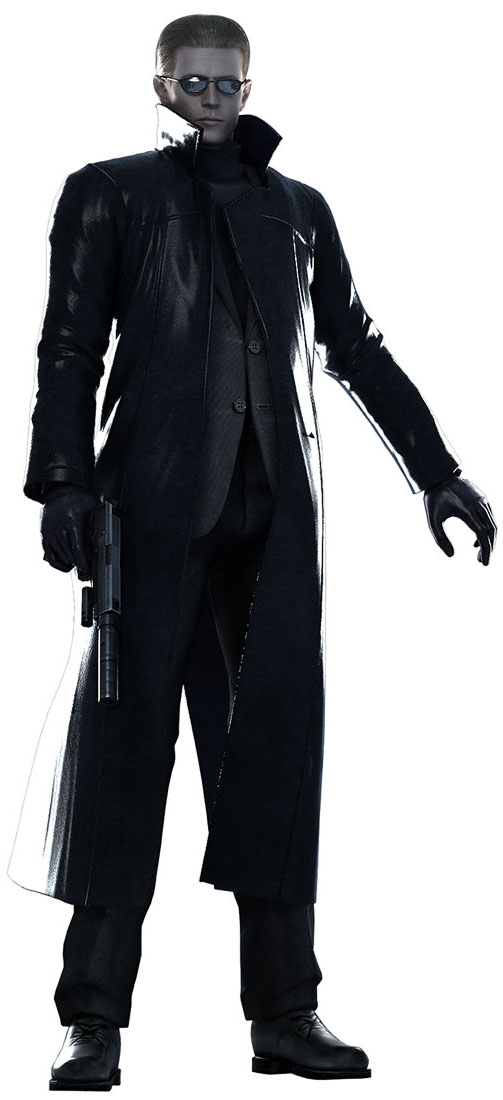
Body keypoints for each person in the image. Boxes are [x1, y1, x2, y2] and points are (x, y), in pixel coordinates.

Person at [7, 13, 496, 1090]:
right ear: (160, 86)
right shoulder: (108, 192)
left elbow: (355, 346)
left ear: (249, 84)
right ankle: (92, 1020)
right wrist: (64, 481)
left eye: (228, 81)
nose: (213, 97)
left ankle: (284, 1013)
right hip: (147, 520)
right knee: (125, 766)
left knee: (275, 761)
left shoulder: (297, 209)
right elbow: (69, 346)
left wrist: (436, 471)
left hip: (273, 534)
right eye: (193, 81)